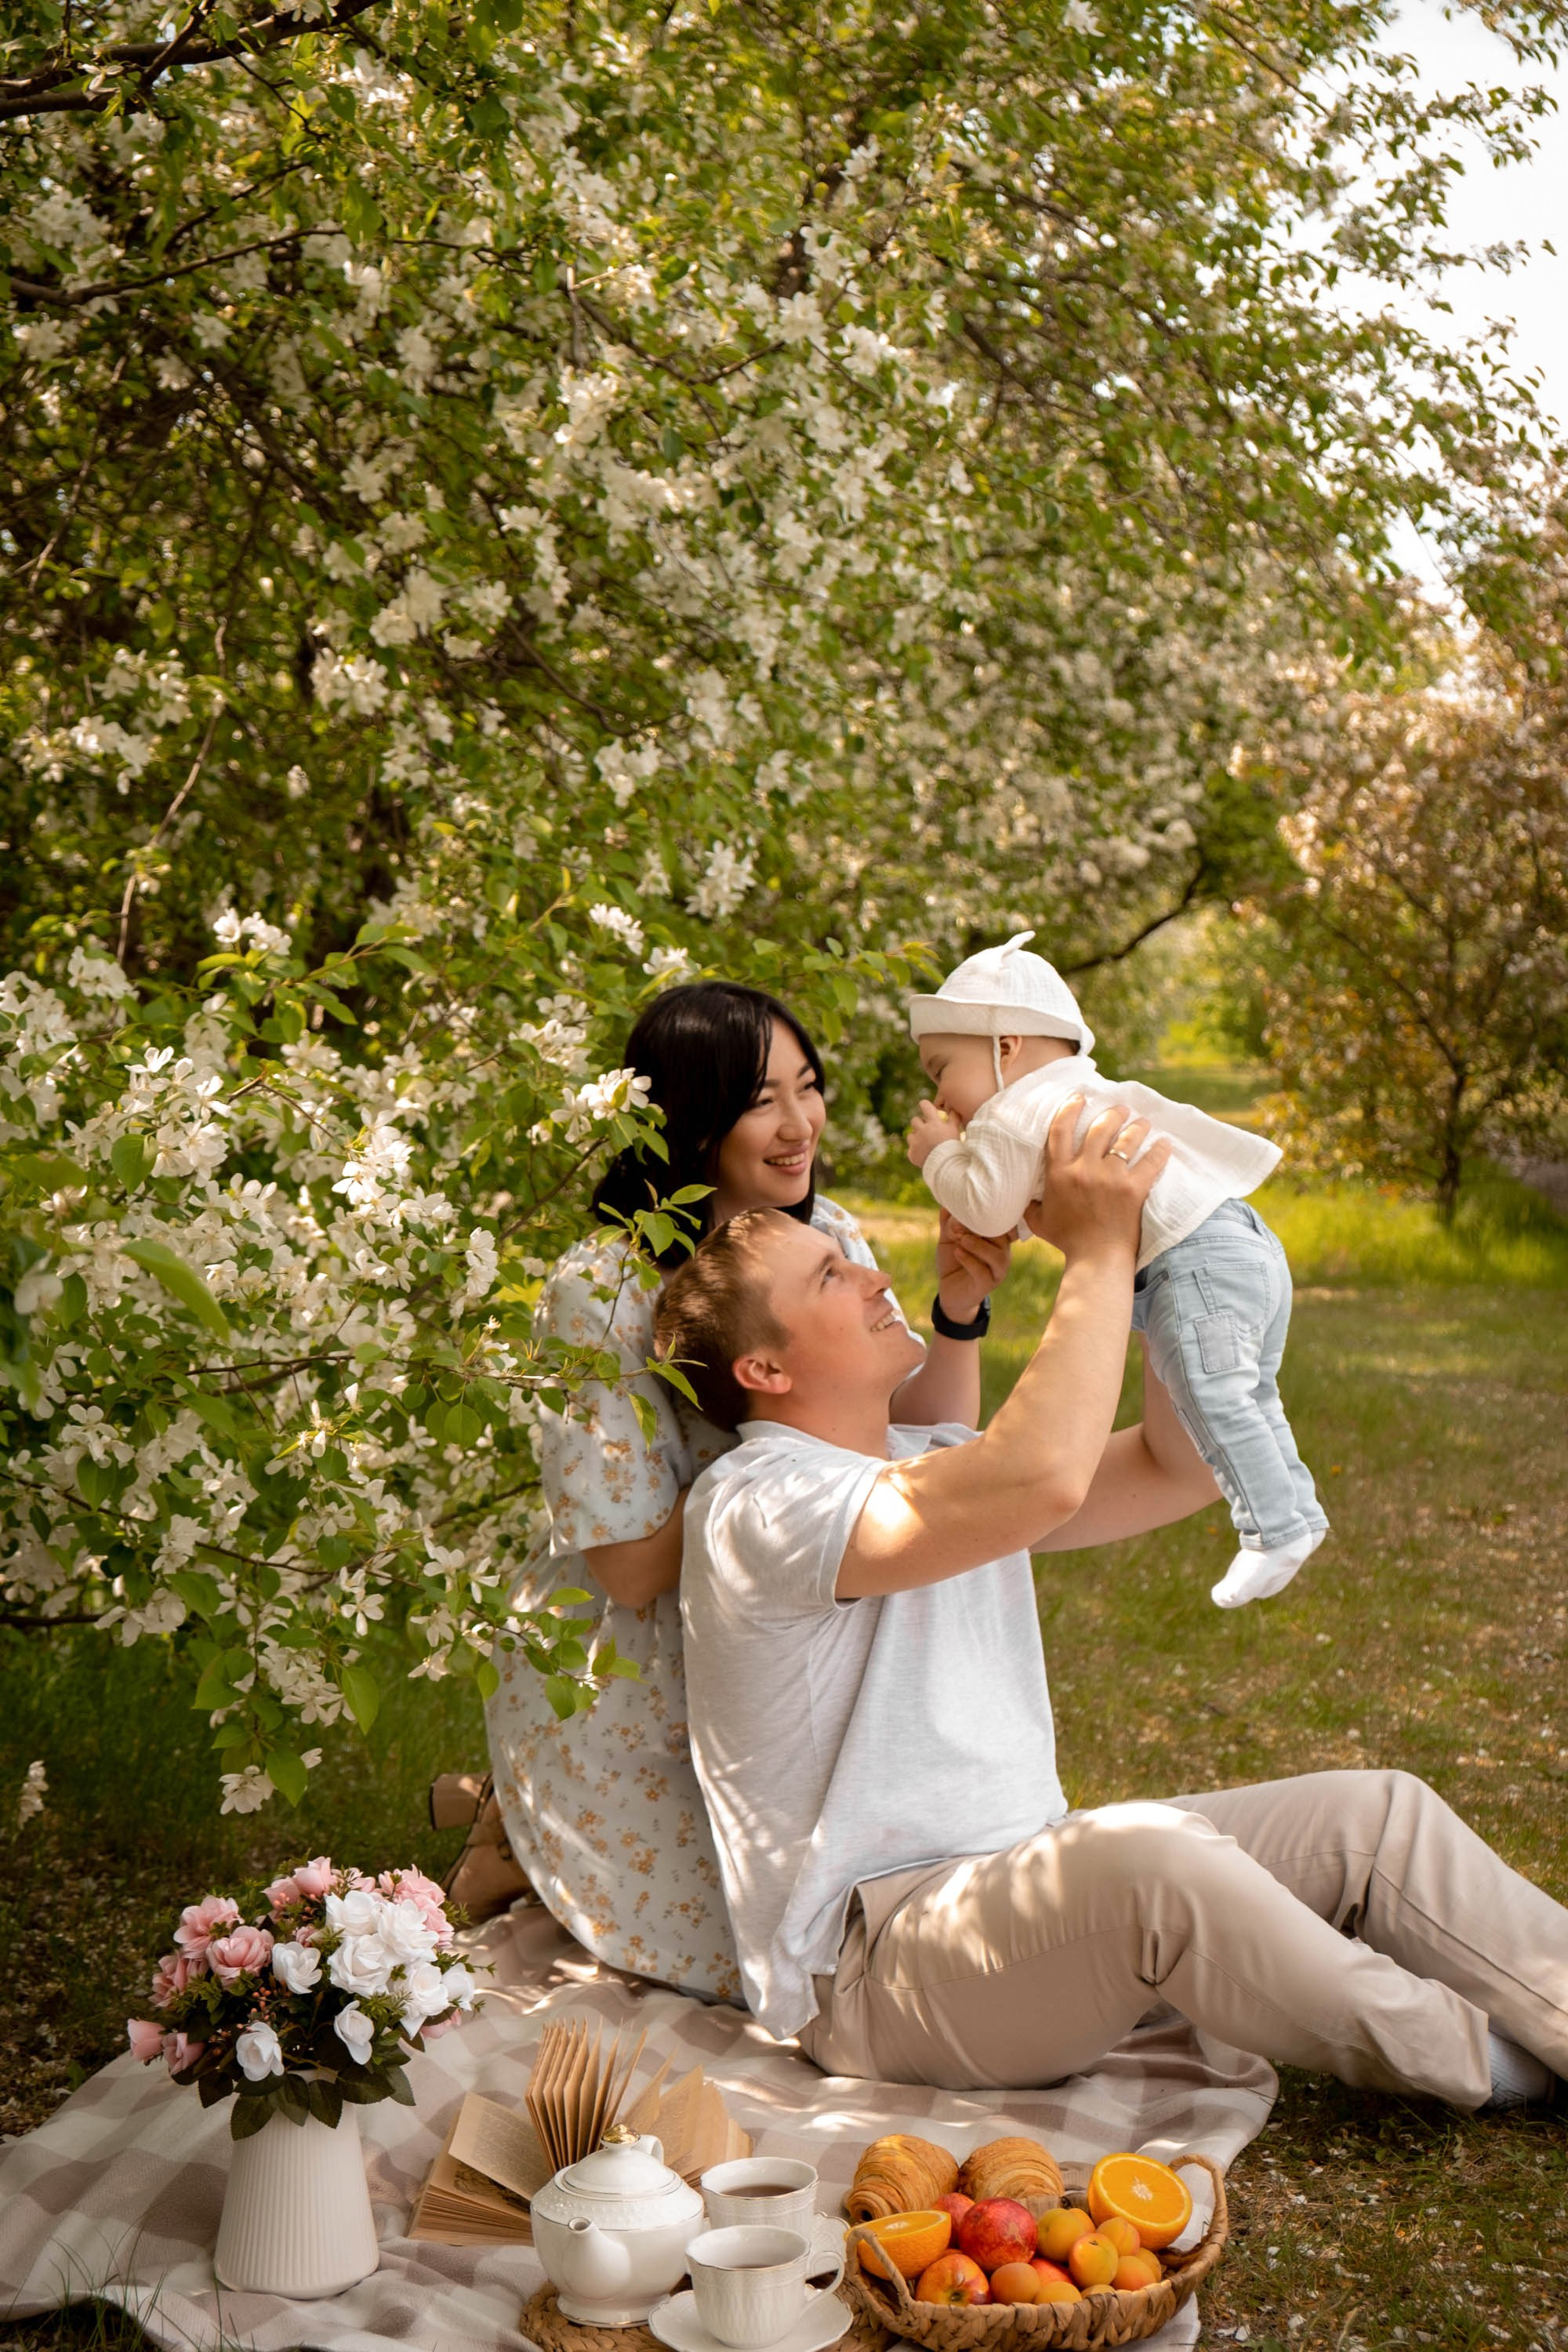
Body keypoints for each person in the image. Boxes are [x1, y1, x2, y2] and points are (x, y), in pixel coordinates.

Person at [655, 1100, 1563, 2110]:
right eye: (830, 1274)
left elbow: (1181, 1466)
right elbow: (1037, 1478)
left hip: (1020, 1886)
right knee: (1151, 1861)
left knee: (1376, 1817)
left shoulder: (929, 1463)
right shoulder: (755, 1504)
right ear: (764, 1369)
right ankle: (1488, 2066)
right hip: (874, 1970)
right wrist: (1095, 1250)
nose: (872, 1275)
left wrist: (1168, 1257)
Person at [457, 980, 1008, 1992]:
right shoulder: (601, 1289)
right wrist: (773, 1473)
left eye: (809, 1087)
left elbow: (909, 1442)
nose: (800, 1125)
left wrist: (957, 1313)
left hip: (788, 1618)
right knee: (752, 1962)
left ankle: (490, 1809)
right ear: (689, 1117)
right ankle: (515, 1817)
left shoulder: (827, 1228)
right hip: (642, 1655)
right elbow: (628, 1569)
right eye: (762, 1101)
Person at [906, 931, 1327, 1610]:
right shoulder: (1071, 1091)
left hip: (1195, 1262)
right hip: (1242, 1243)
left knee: (1212, 1395)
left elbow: (986, 1201)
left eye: (940, 1070)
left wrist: (938, 1155)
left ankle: (1270, 1531)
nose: (942, 1095)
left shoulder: (1013, 1112)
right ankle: (1298, 1513)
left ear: (1005, 1047)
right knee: (1252, 1396)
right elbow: (1029, 1203)